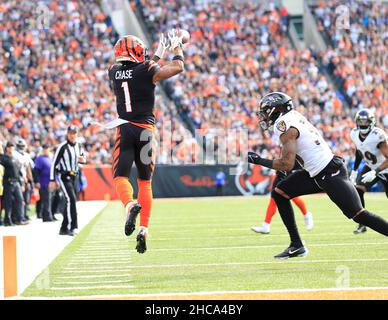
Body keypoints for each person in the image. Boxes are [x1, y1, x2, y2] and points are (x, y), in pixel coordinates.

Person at [248, 92, 388, 259]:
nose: (263, 116)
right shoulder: (292, 117)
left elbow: (287, 164)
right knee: (280, 192)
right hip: (315, 172)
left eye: (265, 111)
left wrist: (259, 160)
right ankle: (296, 245)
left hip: (329, 172)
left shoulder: (284, 125)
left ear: (275, 110)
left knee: (357, 214)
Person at [107, 30, 185, 253]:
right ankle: (143, 229)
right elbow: (176, 67)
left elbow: (140, 70)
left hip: (124, 128)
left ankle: (130, 204)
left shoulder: (113, 71)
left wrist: (160, 51)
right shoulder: (147, 69)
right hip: (145, 132)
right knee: (144, 182)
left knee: (120, 176)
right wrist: (177, 46)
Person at [349, 109, 388, 234]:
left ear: (371, 122)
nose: (363, 124)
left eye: (366, 122)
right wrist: (354, 170)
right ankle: (362, 223)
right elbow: (360, 150)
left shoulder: (378, 135)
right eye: (360, 121)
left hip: (385, 168)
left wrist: (376, 171)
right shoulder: (354, 134)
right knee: (358, 190)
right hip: (371, 166)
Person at [49, 125, 87, 236]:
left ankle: (64, 228)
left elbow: (84, 159)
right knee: (71, 199)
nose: (72, 135)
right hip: (64, 176)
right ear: (67, 134)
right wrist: (52, 179)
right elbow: (54, 163)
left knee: (70, 202)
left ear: (77, 134)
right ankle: (72, 227)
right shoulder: (62, 147)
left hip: (75, 176)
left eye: (74, 133)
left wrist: (82, 160)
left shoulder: (79, 146)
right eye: (70, 133)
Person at [251, 168, 313, 234]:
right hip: (280, 174)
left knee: (293, 197)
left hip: (288, 173)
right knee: (273, 200)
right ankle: (266, 225)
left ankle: (307, 215)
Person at [0, 142, 27, 226]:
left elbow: (18, 172)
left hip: (16, 182)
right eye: (10, 147)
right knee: (8, 202)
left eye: (12, 148)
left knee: (20, 200)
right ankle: (7, 220)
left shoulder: (15, 158)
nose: (11, 149)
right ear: (7, 148)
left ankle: (19, 218)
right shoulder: (3, 158)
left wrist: (22, 182)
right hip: (8, 182)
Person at [14, 138, 34, 222]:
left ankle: (24, 215)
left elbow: (30, 167)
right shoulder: (14, 154)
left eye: (22, 146)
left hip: (25, 179)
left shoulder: (26, 155)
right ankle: (18, 217)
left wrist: (30, 180)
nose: (21, 147)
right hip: (18, 179)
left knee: (26, 199)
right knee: (19, 200)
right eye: (19, 146)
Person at [34, 144, 55, 222]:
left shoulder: (50, 158)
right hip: (43, 182)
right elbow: (36, 171)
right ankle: (47, 217)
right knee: (46, 200)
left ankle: (49, 215)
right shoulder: (40, 159)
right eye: (44, 148)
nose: (46, 150)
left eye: (47, 148)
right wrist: (37, 181)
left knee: (49, 199)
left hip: (50, 182)